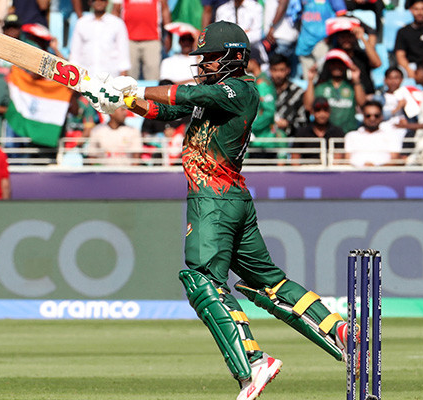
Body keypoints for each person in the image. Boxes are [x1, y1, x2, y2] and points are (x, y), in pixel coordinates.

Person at [80, 21, 352, 400]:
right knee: (266, 282)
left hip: (213, 197)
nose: (203, 62)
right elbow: (163, 110)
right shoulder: (214, 94)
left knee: (203, 279)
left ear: (234, 57)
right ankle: (339, 330)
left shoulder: (239, 89)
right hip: (232, 199)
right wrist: (119, 100)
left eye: (210, 56)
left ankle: (252, 362)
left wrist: (132, 87)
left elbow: (186, 92)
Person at [304, 49, 366, 133]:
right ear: (328, 66)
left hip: (349, 132)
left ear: (345, 65)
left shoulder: (353, 87)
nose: (337, 66)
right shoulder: (321, 87)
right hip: (327, 134)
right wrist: (310, 80)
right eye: (333, 63)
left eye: (340, 63)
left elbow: (362, 104)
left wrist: (356, 79)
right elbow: (308, 106)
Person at [112, 0, 171, 81]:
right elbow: (115, 12)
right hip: (128, 40)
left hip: (152, 39)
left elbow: (165, 10)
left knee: (153, 74)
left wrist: (168, 35)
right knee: (129, 77)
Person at [69, 0, 130, 78]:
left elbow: (123, 53)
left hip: (111, 77)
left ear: (107, 2)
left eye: (102, 0)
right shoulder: (82, 23)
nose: (98, 2)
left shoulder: (117, 23)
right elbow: (75, 53)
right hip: (86, 77)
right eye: (95, 0)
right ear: (90, 2)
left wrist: (123, 76)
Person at [344, 100, 403, 167]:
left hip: (384, 172)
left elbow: (395, 160)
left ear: (382, 116)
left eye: (376, 116)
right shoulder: (351, 136)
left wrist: (376, 168)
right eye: (368, 115)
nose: (372, 119)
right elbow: (346, 161)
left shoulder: (391, 135)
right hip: (355, 172)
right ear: (363, 116)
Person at [292, 97, 345, 164]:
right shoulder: (302, 132)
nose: (322, 114)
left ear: (329, 111)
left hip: (331, 168)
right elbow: (295, 158)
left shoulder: (337, 132)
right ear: (312, 112)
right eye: (318, 110)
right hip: (307, 168)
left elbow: (338, 158)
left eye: (325, 110)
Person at [394, 0, 423, 80]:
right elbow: (400, 56)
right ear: (411, 10)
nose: (420, 12)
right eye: (416, 9)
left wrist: (422, 72)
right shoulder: (403, 32)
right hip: (410, 66)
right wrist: (409, 70)